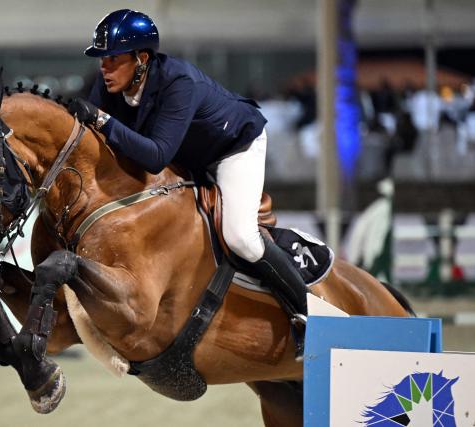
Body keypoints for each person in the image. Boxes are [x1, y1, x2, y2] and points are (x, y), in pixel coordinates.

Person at [68, 9, 309, 356]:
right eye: (102, 59)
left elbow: (155, 156)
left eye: (113, 59)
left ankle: (306, 315)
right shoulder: (109, 85)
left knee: (239, 236)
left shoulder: (178, 83)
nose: (104, 68)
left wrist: (103, 121)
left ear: (142, 58)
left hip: (232, 149)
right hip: (188, 154)